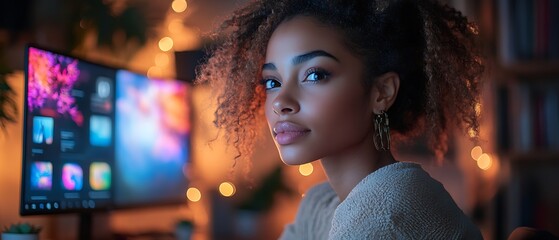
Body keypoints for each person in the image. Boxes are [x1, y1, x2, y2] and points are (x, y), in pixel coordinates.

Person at [196, 0, 485, 239]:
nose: (281, 102)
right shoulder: (321, 203)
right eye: (272, 81)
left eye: (315, 74)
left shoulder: (388, 215)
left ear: (381, 92)